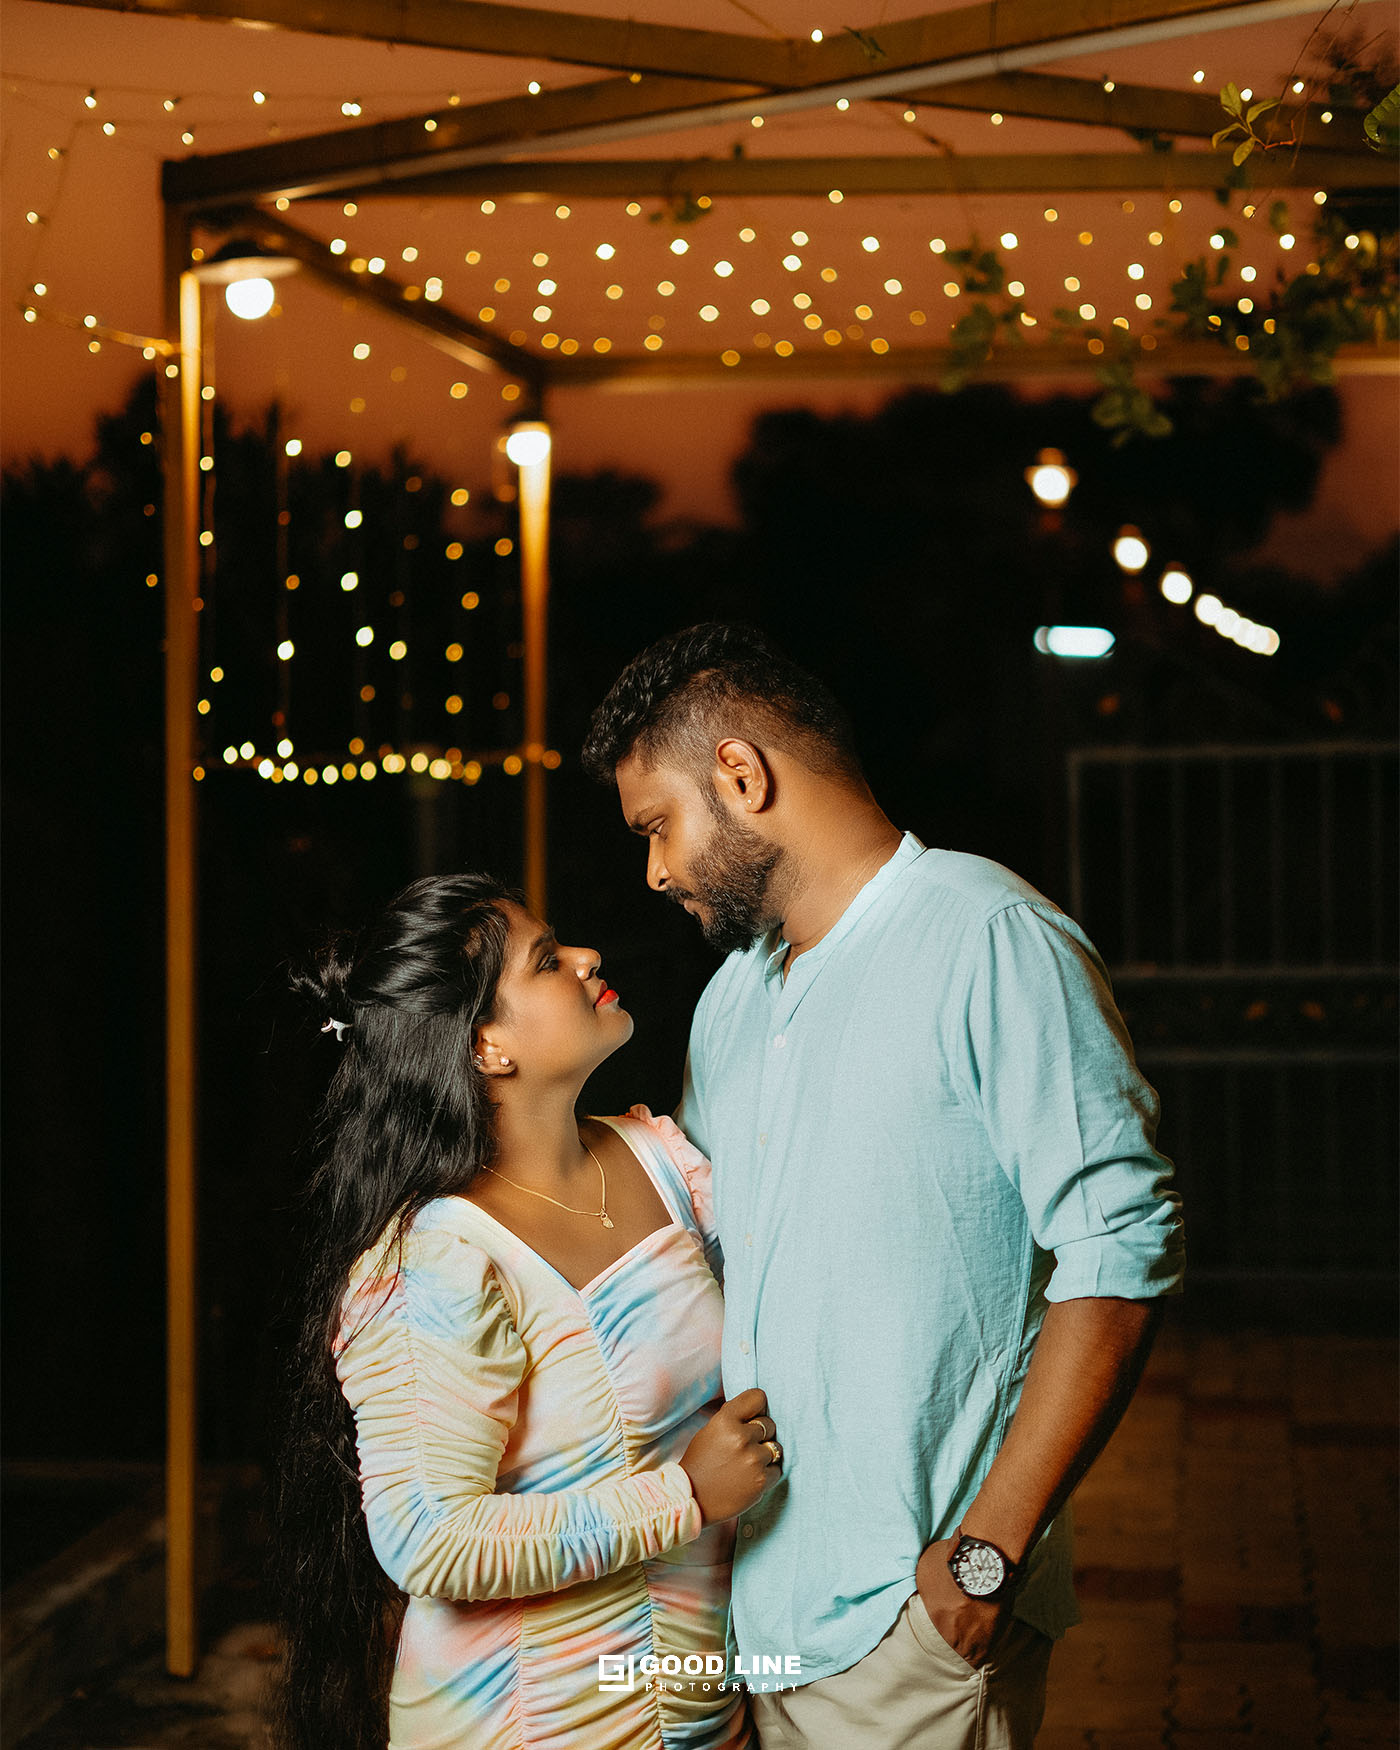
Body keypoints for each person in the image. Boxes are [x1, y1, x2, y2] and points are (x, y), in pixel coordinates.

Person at [583, 624, 1186, 1750]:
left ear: (739, 774)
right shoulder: (734, 1000)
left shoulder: (988, 935)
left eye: (656, 827)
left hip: (916, 1619)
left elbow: (1119, 1248)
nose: (654, 870)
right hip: (756, 1605)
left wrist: (984, 1557)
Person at [271, 872, 782, 1750]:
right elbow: (429, 1538)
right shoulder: (438, 1260)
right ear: (486, 1048)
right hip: (524, 1722)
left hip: (700, 1703)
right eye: (547, 962)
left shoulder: (657, 1155)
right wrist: (685, 1496)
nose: (587, 958)